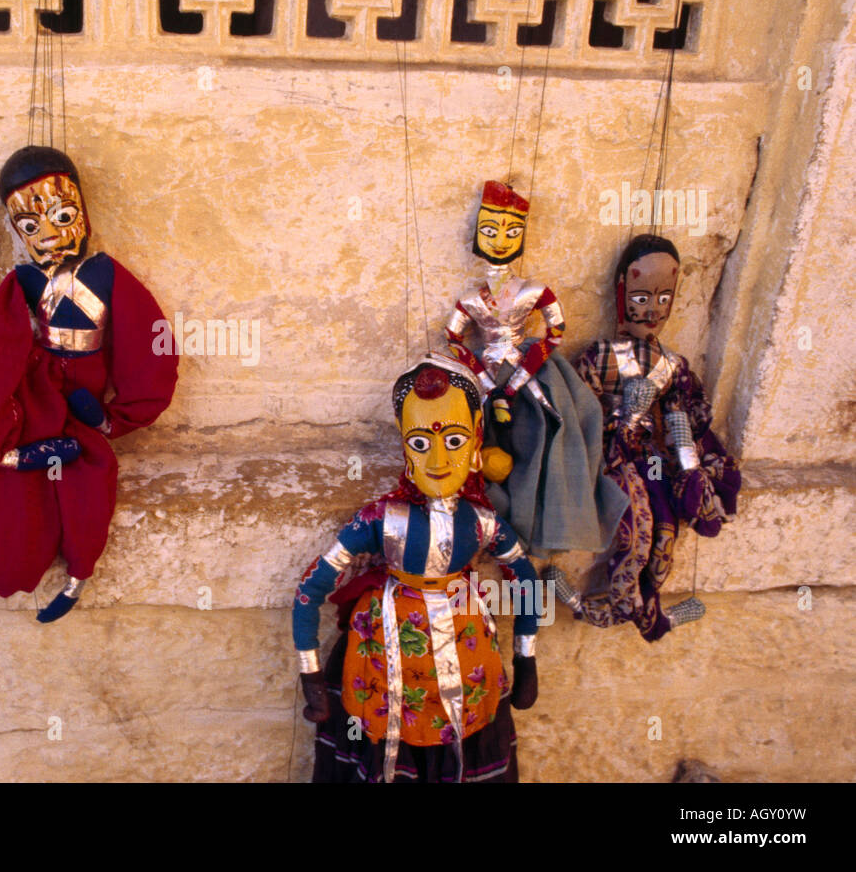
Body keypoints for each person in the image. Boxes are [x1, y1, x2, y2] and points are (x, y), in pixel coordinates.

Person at [292, 353, 540, 782]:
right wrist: (311, 676)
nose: (439, 460)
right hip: (384, 665)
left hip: (467, 663)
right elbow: (309, 591)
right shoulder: (381, 522)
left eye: (456, 441)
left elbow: (526, 579)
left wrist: (527, 660)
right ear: (405, 444)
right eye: (421, 443)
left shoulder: (481, 523)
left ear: (478, 441)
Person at [0, 146, 178, 622]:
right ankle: (8, 564)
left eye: (62, 215)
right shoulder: (22, 280)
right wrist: (3, 419)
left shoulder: (106, 273)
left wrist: (111, 418)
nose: (50, 235)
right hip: (38, 400)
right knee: (11, 483)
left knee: (88, 488)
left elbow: (148, 342)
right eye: (30, 226)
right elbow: (0, 353)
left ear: (82, 210)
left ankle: (77, 578)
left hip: (84, 405)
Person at [546, 234, 740, 641]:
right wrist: (621, 420)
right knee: (637, 534)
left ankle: (637, 604)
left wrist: (692, 474)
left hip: (650, 459)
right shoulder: (600, 357)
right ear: (621, 293)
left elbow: (681, 421)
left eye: (663, 298)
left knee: (664, 532)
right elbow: (580, 414)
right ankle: (629, 608)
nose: (652, 309)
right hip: (612, 457)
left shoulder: (672, 366)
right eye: (640, 298)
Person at [445, 181, 627, 556]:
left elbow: (556, 330)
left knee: (544, 432)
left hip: (526, 375)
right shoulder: (470, 301)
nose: (499, 241)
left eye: (512, 232)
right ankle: (485, 518)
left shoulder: (533, 292)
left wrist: (521, 377)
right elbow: (454, 337)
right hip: (488, 377)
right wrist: (482, 378)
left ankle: (538, 512)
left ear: (522, 236)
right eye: (490, 231)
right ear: (478, 234)